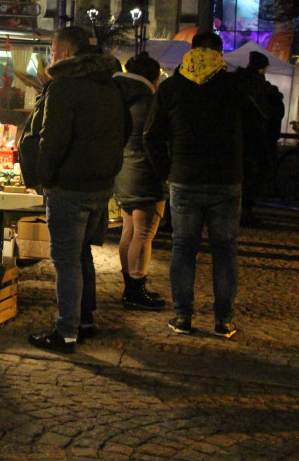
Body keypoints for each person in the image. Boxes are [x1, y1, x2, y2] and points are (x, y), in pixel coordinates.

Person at [144, 31, 266, 340]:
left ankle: (183, 316)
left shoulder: (172, 87)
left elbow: (151, 136)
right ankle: (223, 320)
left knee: (183, 248)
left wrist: (166, 171)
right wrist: (245, 168)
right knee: (225, 250)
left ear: (192, 51)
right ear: (219, 54)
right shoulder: (235, 87)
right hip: (227, 179)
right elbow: (258, 129)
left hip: (184, 178)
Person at [27, 26, 126, 354]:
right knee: (82, 254)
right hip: (100, 185)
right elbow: (121, 133)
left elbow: (51, 141)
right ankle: (84, 319)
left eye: (53, 51)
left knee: (66, 260)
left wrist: (45, 178)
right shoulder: (110, 85)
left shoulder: (64, 87)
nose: (51, 57)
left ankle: (65, 331)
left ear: (65, 53)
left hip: (69, 185)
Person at [113, 51, 168, 311]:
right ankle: (136, 288)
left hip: (123, 171)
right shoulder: (148, 101)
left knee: (129, 230)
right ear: (153, 79)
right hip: (144, 173)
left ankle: (130, 285)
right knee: (144, 233)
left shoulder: (120, 94)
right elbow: (155, 141)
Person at [234, 50, 285, 227]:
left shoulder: (238, 82)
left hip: (239, 137)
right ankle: (244, 210)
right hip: (255, 138)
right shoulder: (258, 87)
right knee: (254, 174)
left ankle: (240, 209)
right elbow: (271, 112)